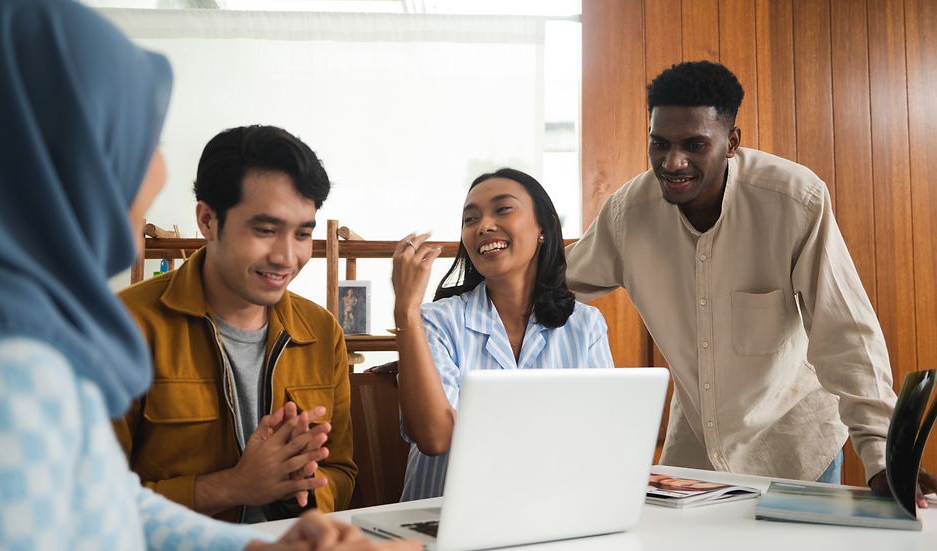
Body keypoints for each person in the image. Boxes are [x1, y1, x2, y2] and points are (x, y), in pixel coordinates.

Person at [0, 0, 417, 549]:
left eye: (302, 232)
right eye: (124, 140)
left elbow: (102, 501)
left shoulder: (34, 334)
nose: (155, 170)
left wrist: (269, 533)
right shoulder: (5, 364)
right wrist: (233, 486)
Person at [565, 60, 937, 506]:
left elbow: (846, 336)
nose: (672, 162)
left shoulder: (794, 200)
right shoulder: (628, 214)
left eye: (694, 144)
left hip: (795, 447)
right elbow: (556, 283)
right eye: (659, 143)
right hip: (695, 455)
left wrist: (882, 458)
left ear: (731, 143)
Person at [113, 125, 357, 524]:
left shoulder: (321, 331)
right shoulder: (125, 325)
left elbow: (343, 473)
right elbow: (89, 500)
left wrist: (302, 487)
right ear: (208, 220)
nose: (286, 256)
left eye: (302, 234)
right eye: (265, 230)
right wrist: (232, 487)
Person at [392, 168, 615, 501]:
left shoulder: (586, 326)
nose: (483, 226)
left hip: (552, 513)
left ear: (545, 227)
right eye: (470, 219)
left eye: (502, 209)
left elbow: (601, 438)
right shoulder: (436, 321)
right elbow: (435, 439)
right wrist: (405, 311)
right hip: (442, 521)